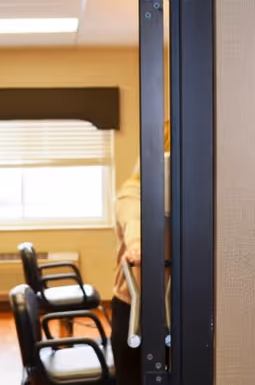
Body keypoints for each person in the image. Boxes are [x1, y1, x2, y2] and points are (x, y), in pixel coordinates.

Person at [111, 122, 169, 384]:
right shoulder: (132, 192)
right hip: (133, 308)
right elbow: (133, 218)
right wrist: (137, 244)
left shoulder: (187, 195)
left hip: (174, 308)